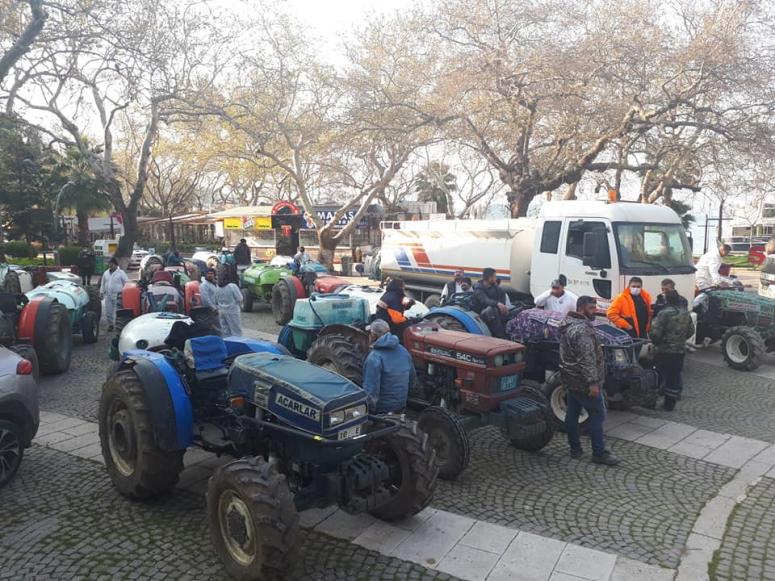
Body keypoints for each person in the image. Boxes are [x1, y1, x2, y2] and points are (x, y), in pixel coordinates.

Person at [559, 296, 619, 466]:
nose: (595, 311)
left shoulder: (566, 323)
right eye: (591, 308)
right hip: (583, 381)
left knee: (572, 412)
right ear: (580, 308)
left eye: (595, 307)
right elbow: (587, 358)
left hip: (571, 377)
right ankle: (599, 453)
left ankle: (575, 448)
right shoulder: (582, 330)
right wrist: (592, 382)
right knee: (598, 413)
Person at [650, 290, 695, 411]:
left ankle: (651, 401)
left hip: (664, 350)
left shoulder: (663, 314)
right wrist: (680, 339)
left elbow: (655, 333)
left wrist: (658, 342)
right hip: (679, 351)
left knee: (657, 375)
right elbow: (691, 331)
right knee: (674, 377)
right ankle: (670, 404)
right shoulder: (685, 313)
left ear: (667, 300)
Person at [362, 319, 416, 414]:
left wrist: (368, 411)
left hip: (382, 410)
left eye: (370, 333)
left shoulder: (374, 357)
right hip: (401, 405)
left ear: (373, 336)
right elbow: (412, 381)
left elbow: (371, 391)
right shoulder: (403, 350)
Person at [471, 268, 509, 338]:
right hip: (480, 313)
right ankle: (500, 336)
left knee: (515, 310)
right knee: (491, 310)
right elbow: (485, 300)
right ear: (489, 278)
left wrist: (503, 306)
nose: (496, 278)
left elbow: (502, 295)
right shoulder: (478, 288)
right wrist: (498, 304)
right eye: (494, 276)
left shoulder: (495, 287)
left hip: (495, 310)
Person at [100, 257, 128, 332]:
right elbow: (103, 283)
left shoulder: (121, 273)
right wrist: (101, 292)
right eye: (109, 265)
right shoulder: (106, 273)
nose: (110, 266)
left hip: (118, 295)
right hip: (108, 295)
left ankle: (117, 325)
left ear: (116, 265)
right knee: (108, 311)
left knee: (117, 311)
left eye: (112, 265)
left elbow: (126, 283)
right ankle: (110, 325)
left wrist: (125, 293)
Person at [198, 268, 222, 335]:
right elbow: (205, 299)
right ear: (205, 275)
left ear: (214, 275)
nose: (210, 275)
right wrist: (213, 308)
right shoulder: (204, 285)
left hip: (217, 308)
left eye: (211, 274)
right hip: (210, 310)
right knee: (217, 328)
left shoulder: (215, 284)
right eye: (208, 274)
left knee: (220, 327)